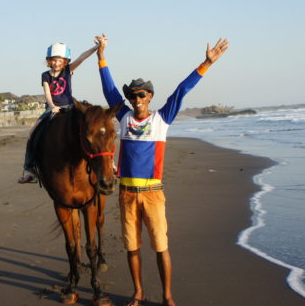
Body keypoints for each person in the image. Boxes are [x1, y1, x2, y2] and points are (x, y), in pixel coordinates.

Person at [95, 35, 228, 306]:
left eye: (142, 94)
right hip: (127, 195)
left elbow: (182, 90)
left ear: (150, 96)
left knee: (160, 247)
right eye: (132, 95)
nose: (137, 98)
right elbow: (110, 91)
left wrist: (206, 63)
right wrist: (101, 56)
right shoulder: (123, 118)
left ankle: (167, 296)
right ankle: (138, 292)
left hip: (153, 194)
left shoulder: (162, 118)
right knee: (132, 247)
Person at [18, 40, 100, 183]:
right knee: (32, 133)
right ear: (49, 61)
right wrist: (52, 106)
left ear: (65, 61)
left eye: (59, 60)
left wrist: (96, 47)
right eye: (53, 60)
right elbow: (47, 94)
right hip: (52, 108)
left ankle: (108, 163)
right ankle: (29, 168)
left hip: (70, 107)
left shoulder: (68, 70)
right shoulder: (45, 75)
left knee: (92, 129)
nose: (56, 63)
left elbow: (82, 57)